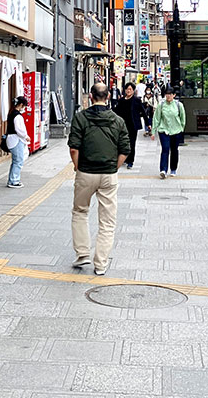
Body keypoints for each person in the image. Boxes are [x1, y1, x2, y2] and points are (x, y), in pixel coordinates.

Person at [68, 82, 130, 275]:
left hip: (85, 173)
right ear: (108, 96)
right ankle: (101, 264)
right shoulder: (118, 120)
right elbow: (125, 150)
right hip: (109, 175)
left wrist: (78, 167)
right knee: (107, 222)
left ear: (91, 97)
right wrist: (114, 167)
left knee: (80, 212)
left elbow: (73, 148)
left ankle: (82, 254)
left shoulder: (80, 118)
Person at [153, 87, 186, 178]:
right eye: (167, 94)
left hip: (176, 130)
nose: (168, 96)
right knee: (165, 149)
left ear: (174, 95)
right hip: (164, 130)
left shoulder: (179, 105)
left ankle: (173, 169)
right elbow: (156, 118)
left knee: (174, 150)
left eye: (170, 94)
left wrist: (181, 129)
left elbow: (183, 118)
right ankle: (163, 170)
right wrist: (153, 131)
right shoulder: (161, 105)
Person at [114, 82, 143, 169]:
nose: (128, 91)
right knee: (122, 142)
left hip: (133, 125)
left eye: (130, 89)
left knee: (132, 143)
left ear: (133, 91)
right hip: (123, 125)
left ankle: (130, 161)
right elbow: (116, 112)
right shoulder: (121, 100)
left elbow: (143, 112)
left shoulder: (137, 100)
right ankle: (124, 158)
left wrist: (148, 124)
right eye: (127, 89)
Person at [5, 96, 29, 188]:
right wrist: (26, 136)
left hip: (11, 139)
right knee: (18, 161)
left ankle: (12, 179)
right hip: (16, 139)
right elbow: (19, 129)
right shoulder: (17, 116)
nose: (24, 108)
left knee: (15, 161)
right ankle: (14, 181)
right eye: (24, 106)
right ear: (21, 105)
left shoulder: (11, 113)